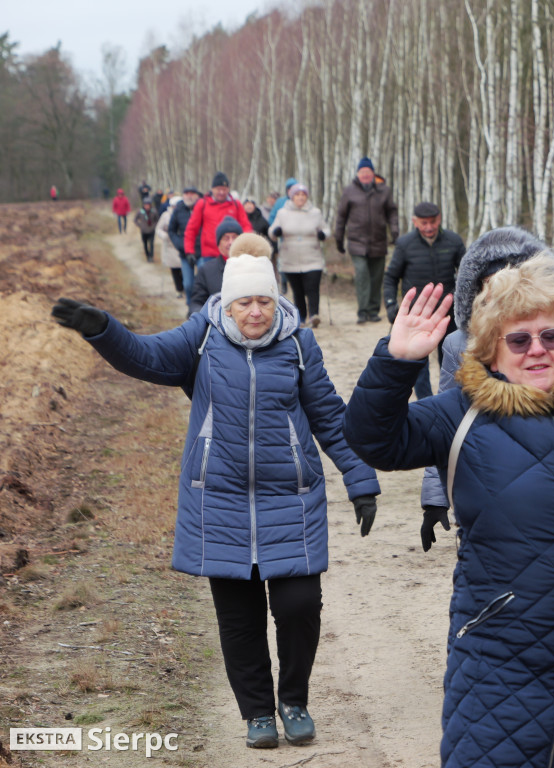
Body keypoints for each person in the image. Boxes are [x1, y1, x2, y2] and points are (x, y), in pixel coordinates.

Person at [344, 255, 554, 767]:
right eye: (519, 339)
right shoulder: (461, 415)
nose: (537, 350)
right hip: (494, 665)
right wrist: (396, 363)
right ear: (491, 347)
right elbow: (374, 441)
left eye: (551, 336)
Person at [51, 241, 380, 751]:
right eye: (244, 302)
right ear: (227, 304)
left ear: (277, 302)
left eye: (264, 302)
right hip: (218, 501)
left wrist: (360, 480)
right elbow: (145, 355)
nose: (255, 311)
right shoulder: (201, 338)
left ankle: (293, 701)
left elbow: (331, 419)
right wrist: (103, 329)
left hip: (289, 498)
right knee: (239, 618)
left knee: (300, 605)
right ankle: (257, 714)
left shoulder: (299, 346)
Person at [418, 226, 550, 551]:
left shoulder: (551, 340)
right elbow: (442, 422)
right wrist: (435, 497)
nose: (500, 293)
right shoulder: (457, 345)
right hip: (480, 477)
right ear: (477, 290)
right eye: (491, 285)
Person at [383, 201, 466, 399]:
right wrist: (390, 304)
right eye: (423, 223)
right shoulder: (404, 244)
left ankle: (450, 401)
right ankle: (427, 402)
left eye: (433, 222)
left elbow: (467, 275)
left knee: (451, 360)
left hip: (448, 314)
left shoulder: (453, 241)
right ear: (415, 222)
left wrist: (464, 303)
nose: (429, 227)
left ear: (439, 219)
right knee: (419, 364)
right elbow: (391, 277)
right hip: (417, 315)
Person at [334, 157, 399, 324]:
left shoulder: (384, 190)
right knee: (362, 275)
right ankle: (362, 311)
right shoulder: (349, 191)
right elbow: (341, 216)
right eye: (362, 172)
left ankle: (373, 310)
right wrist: (338, 239)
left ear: (372, 173)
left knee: (376, 278)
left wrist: (394, 231)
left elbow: (392, 212)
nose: (365, 175)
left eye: (368, 172)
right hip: (357, 242)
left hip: (378, 241)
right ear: (358, 174)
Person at [270, 183, 330, 328]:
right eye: (297, 195)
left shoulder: (315, 212)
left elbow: (326, 229)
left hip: (312, 257)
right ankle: (301, 317)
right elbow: (272, 231)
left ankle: (314, 315)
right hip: (291, 258)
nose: (301, 197)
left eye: (303, 195)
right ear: (292, 197)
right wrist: (276, 232)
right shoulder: (283, 213)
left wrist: (323, 234)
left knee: (312, 286)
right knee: (298, 290)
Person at [183, 172, 252, 265]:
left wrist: (247, 246)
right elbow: (191, 229)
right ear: (212, 189)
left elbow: (246, 226)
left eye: (224, 189)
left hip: (232, 253)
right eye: (218, 189)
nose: (222, 192)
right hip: (210, 254)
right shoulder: (202, 204)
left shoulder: (236, 205)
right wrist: (189, 251)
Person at [189, 217, 246, 316]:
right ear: (218, 244)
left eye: (234, 237)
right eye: (226, 238)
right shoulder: (206, 270)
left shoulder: (252, 267)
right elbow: (196, 303)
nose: (231, 242)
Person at [168, 186, 202, 306]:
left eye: (192, 193)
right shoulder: (179, 209)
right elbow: (171, 230)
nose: (189, 196)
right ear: (183, 196)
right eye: (186, 193)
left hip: (202, 252)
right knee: (188, 284)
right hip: (185, 253)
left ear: (197, 195)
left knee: (203, 282)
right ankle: (190, 307)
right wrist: (179, 244)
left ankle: (204, 309)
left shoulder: (204, 207)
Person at [156, 195, 185, 298]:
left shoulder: (184, 214)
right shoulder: (165, 215)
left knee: (184, 269)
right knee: (175, 269)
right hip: (170, 246)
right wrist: (164, 236)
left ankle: (185, 287)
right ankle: (179, 290)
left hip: (182, 245)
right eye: (173, 206)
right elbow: (158, 229)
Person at [134, 197, 159, 262]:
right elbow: (135, 220)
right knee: (145, 244)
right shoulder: (140, 211)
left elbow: (157, 220)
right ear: (143, 205)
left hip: (151, 230)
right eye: (145, 205)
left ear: (150, 205)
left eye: (148, 205)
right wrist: (140, 225)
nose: (147, 206)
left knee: (151, 244)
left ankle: (151, 256)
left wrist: (154, 226)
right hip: (144, 231)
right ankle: (147, 256)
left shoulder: (154, 211)